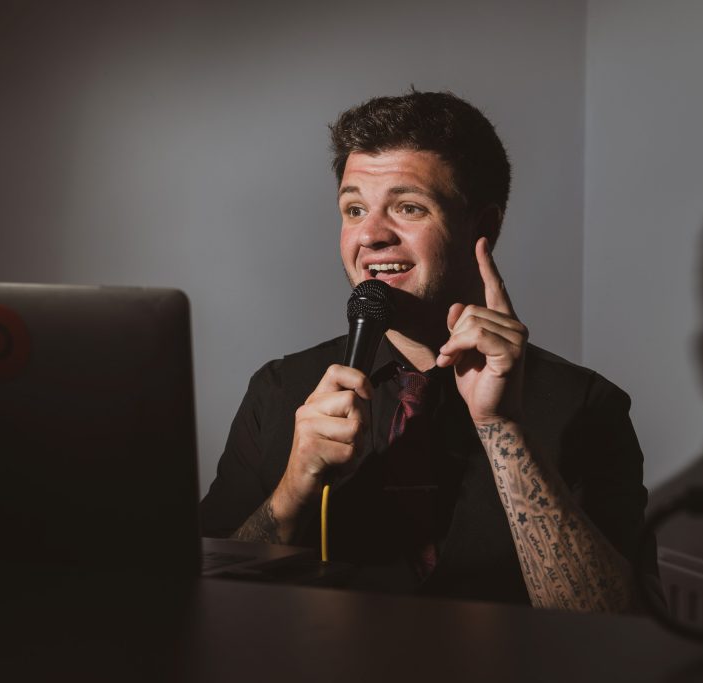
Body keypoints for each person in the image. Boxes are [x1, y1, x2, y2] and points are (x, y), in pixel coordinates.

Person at [200, 90, 659, 612]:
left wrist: (503, 431)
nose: (370, 235)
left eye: (408, 207)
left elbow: (613, 625)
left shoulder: (586, 404)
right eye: (354, 209)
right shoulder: (279, 390)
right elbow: (201, 599)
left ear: (482, 229)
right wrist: (293, 488)